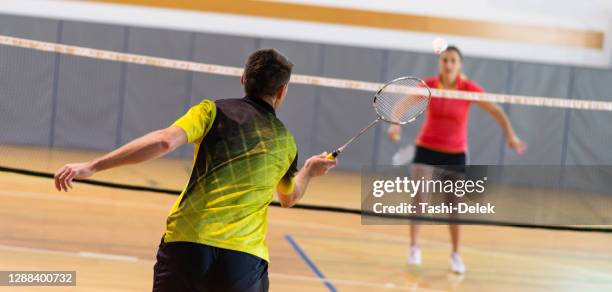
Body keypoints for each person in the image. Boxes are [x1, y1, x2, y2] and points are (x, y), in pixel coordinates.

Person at [53, 49, 337, 291]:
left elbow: (164, 141)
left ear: (243, 80)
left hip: (188, 243)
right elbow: (288, 197)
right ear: (281, 91)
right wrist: (309, 171)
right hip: (243, 259)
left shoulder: (213, 111)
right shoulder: (286, 142)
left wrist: (93, 166)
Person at [387, 46, 526, 274]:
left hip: (455, 152)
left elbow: (497, 111)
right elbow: (401, 106)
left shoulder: (468, 89)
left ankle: (455, 255)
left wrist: (510, 136)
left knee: (453, 207)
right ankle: (414, 248)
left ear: (459, 64)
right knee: (419, 199)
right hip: (426, 149)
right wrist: (395, 123)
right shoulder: (430, 85)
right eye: (445, 60)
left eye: (453, 60)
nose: (449, 64)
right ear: (440, 63)